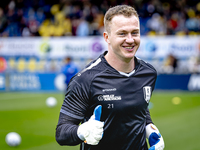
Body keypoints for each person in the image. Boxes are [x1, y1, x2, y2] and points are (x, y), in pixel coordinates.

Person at [56, 5, 165, 150]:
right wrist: (81, 132)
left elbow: (139, 108)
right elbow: (62, 132)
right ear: (107, 37)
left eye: (135, 33)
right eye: (122, 34)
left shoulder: (148, 73)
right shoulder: (86, 79)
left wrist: (150, 128)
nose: (130, 40)